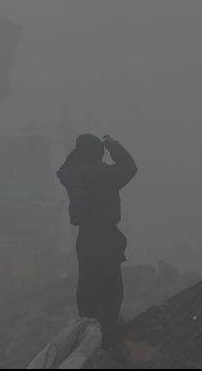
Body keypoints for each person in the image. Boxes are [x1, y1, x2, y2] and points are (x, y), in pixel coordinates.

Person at [57, 134, 137, 350]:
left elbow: (62, 169)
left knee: (87, 284)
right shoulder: (102, 173)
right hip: (106, 235)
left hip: (85, 237)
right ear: (97, 153)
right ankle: (108, 336)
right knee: (110, 285)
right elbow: (130, 167)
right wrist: (113, 145)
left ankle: (86, 329)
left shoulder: (70, 175)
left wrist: (79, 150)